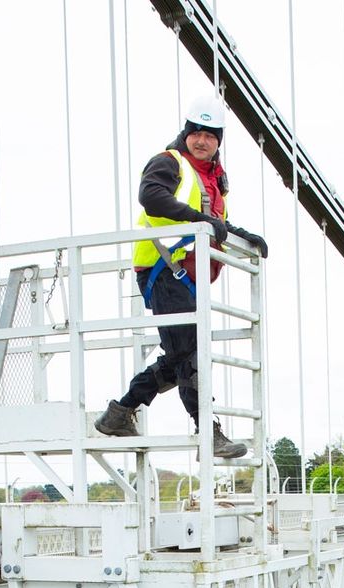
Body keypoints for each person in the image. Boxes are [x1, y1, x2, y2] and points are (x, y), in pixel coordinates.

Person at [94, 94, 268, 459]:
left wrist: (239, 235)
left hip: (185, 277)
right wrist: (202, 221)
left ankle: (121, 411)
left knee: (181, 355)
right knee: (190, 352)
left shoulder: (214, 179)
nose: (202, 140)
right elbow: (152, 197)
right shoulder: (168, 162)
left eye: (210, 135)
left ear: (219, 141)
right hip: (163, 269)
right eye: (196, 133)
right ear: (186, 133)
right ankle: (209, 434)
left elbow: (210, 220)